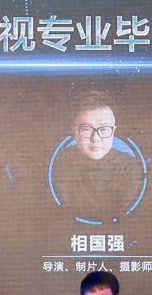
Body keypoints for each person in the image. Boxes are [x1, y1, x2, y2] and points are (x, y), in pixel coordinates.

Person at [51, 92, 142, 221]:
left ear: (113, 131)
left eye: (104, 129)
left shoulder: (130, 167)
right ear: (74, 131)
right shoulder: (58, 163)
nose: (96, 138)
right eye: (87, 129)